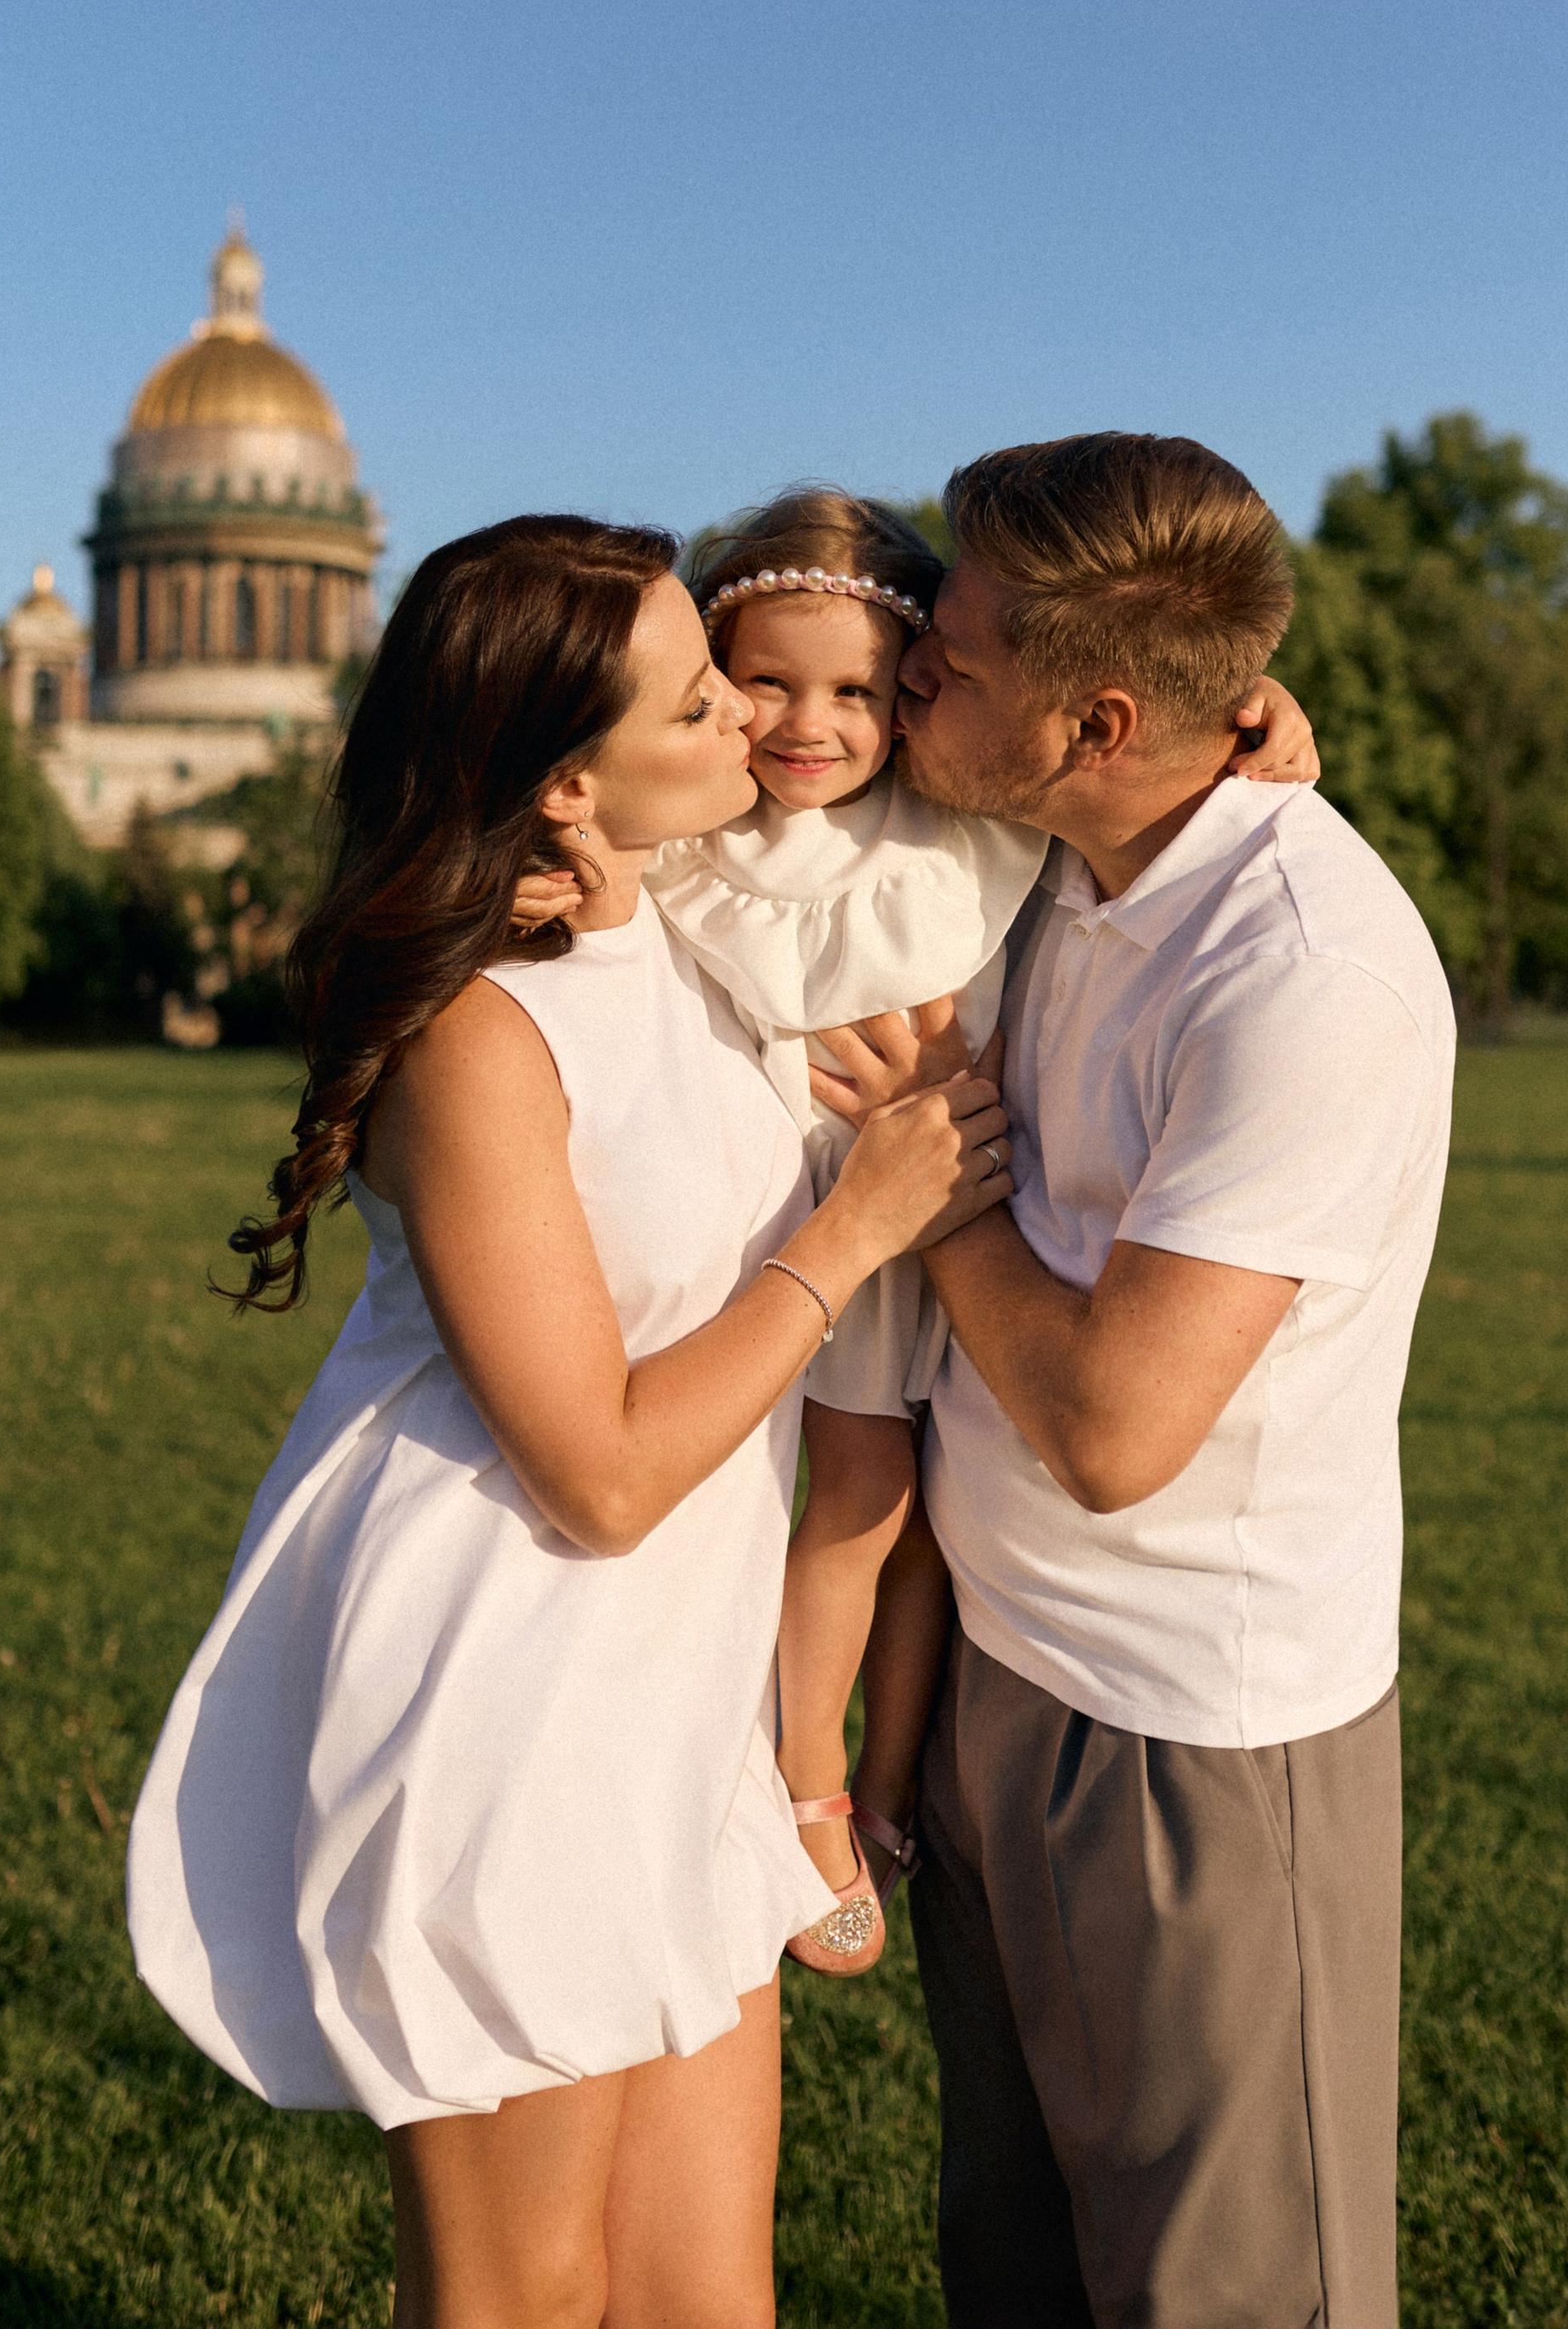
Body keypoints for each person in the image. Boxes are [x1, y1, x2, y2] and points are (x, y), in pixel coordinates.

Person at [124, 513, 1010, 2329]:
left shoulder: (685, 938)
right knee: (521, 2295)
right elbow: (598, 1474)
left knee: (704, 2293)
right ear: (557, 787)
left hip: (678, 1706)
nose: (753, 732)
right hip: (511, 1709)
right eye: (699, 706)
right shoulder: (475, 1038)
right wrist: (855, 1233)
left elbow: (933, 724)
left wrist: (1246, 718)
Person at [820, 433, 1456, 2329]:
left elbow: (1112, 1430)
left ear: (1097, 718)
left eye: (964, 640)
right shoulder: (1051, 854)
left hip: (1200, 1743)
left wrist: (919, 1188)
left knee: (1226, 2294)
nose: (918, 649)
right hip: (996, 1684)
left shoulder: (1302, 972)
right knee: (1015, 2278)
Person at [516, 489, 1318, 1985]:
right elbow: (582, 798)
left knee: (943, 1512)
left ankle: (888, 1782)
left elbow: (1106, 712)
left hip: (966, 1196)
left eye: (860, 690)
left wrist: (1254, 707)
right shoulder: (692, 828)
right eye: (762, 683)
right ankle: (806, 1780)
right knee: (859, 1500)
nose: (809, 724)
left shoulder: (959, 819)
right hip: (822, 1208)